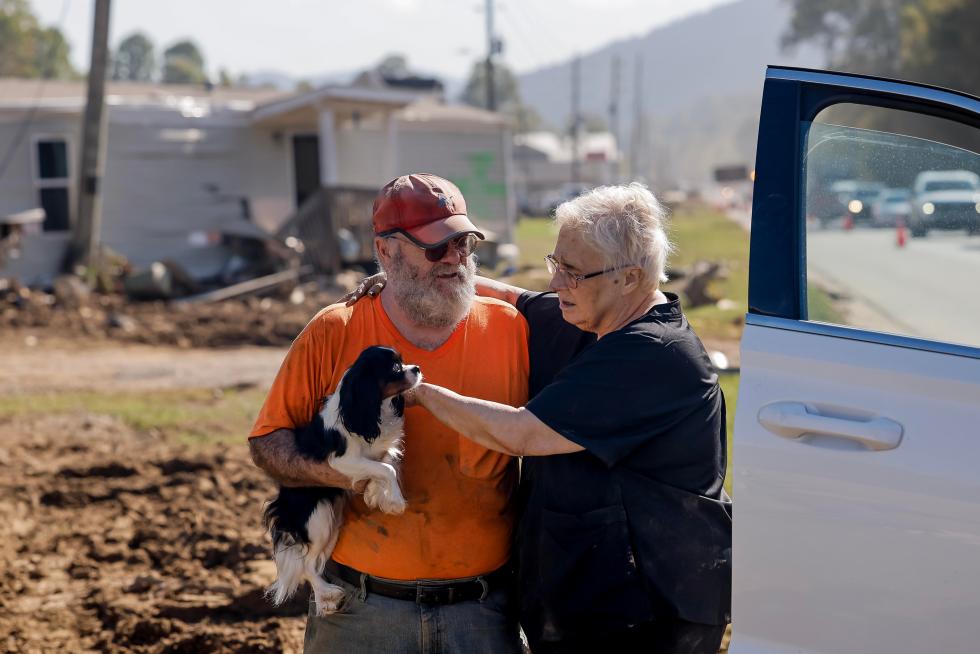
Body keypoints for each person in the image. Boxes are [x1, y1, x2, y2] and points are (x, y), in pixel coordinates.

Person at [355, 183, 730, 653]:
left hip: (647, 615)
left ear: (631, 278)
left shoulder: (654, 356)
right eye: (557, 264)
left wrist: (420, 391)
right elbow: (520, 299)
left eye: (572, 273)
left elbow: (521, 433)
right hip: (591, 604)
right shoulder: (591, 316)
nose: (557, 283)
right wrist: (409, 280)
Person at [248, 173, 530, 654]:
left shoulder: (512, 330)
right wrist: (343, 474)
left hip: (483, 614)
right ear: (386, 253)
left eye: (462, 242)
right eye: (436, 248)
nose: (456, 258)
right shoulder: (335, 330)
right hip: (361, 612)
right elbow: (268, 443)